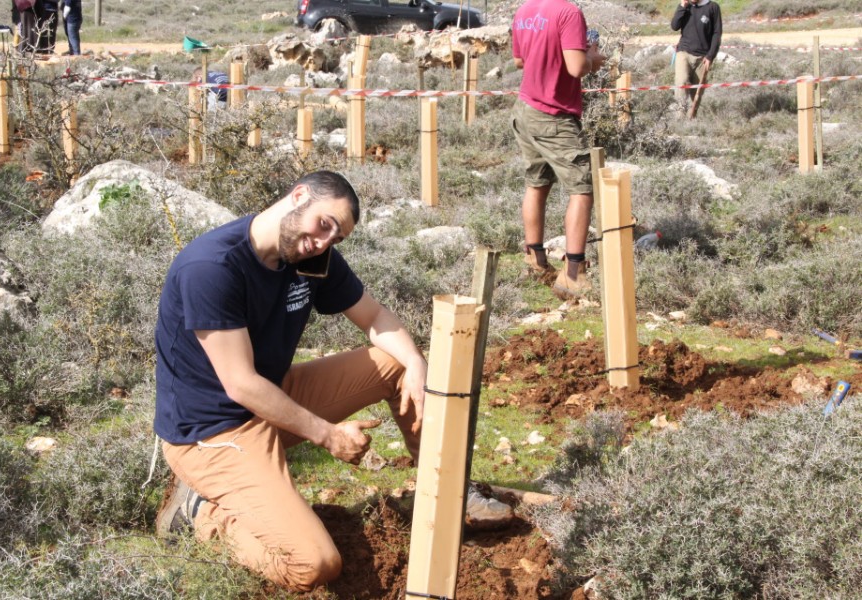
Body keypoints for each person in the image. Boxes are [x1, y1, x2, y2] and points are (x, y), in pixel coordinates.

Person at [153, 171, 511, 592]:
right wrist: (327, 435)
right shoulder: (212, 267)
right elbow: (241, 384)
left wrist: (416, 363)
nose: (324, 242)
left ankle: (448, 493)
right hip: (212, 433)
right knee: (314, 564)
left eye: (336, 237)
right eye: (324, 224)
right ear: (298, 195)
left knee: (392, 364)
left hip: (273, 395)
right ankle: (200, 513)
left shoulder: (310, 258)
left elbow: (375, 318)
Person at [511, 0, 606, 298]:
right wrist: (593, 59)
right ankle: (573, 274)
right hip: (554, 115)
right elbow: (576, 67)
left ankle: (535, 260)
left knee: (536, 183)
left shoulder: (525, 10)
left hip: (526, 108)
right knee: (583, 189)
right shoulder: (568, 12)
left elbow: (519, 61)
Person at [670, 0, 722, 115]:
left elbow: (717, 34)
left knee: (697, 93)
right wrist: (682, 6)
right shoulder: (686, 7)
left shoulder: (713, 7)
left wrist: (710, 56)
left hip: (703, 57)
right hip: (684, 52)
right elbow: (674, 26)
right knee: (681, 81)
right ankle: (679, 116)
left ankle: (691, 120)